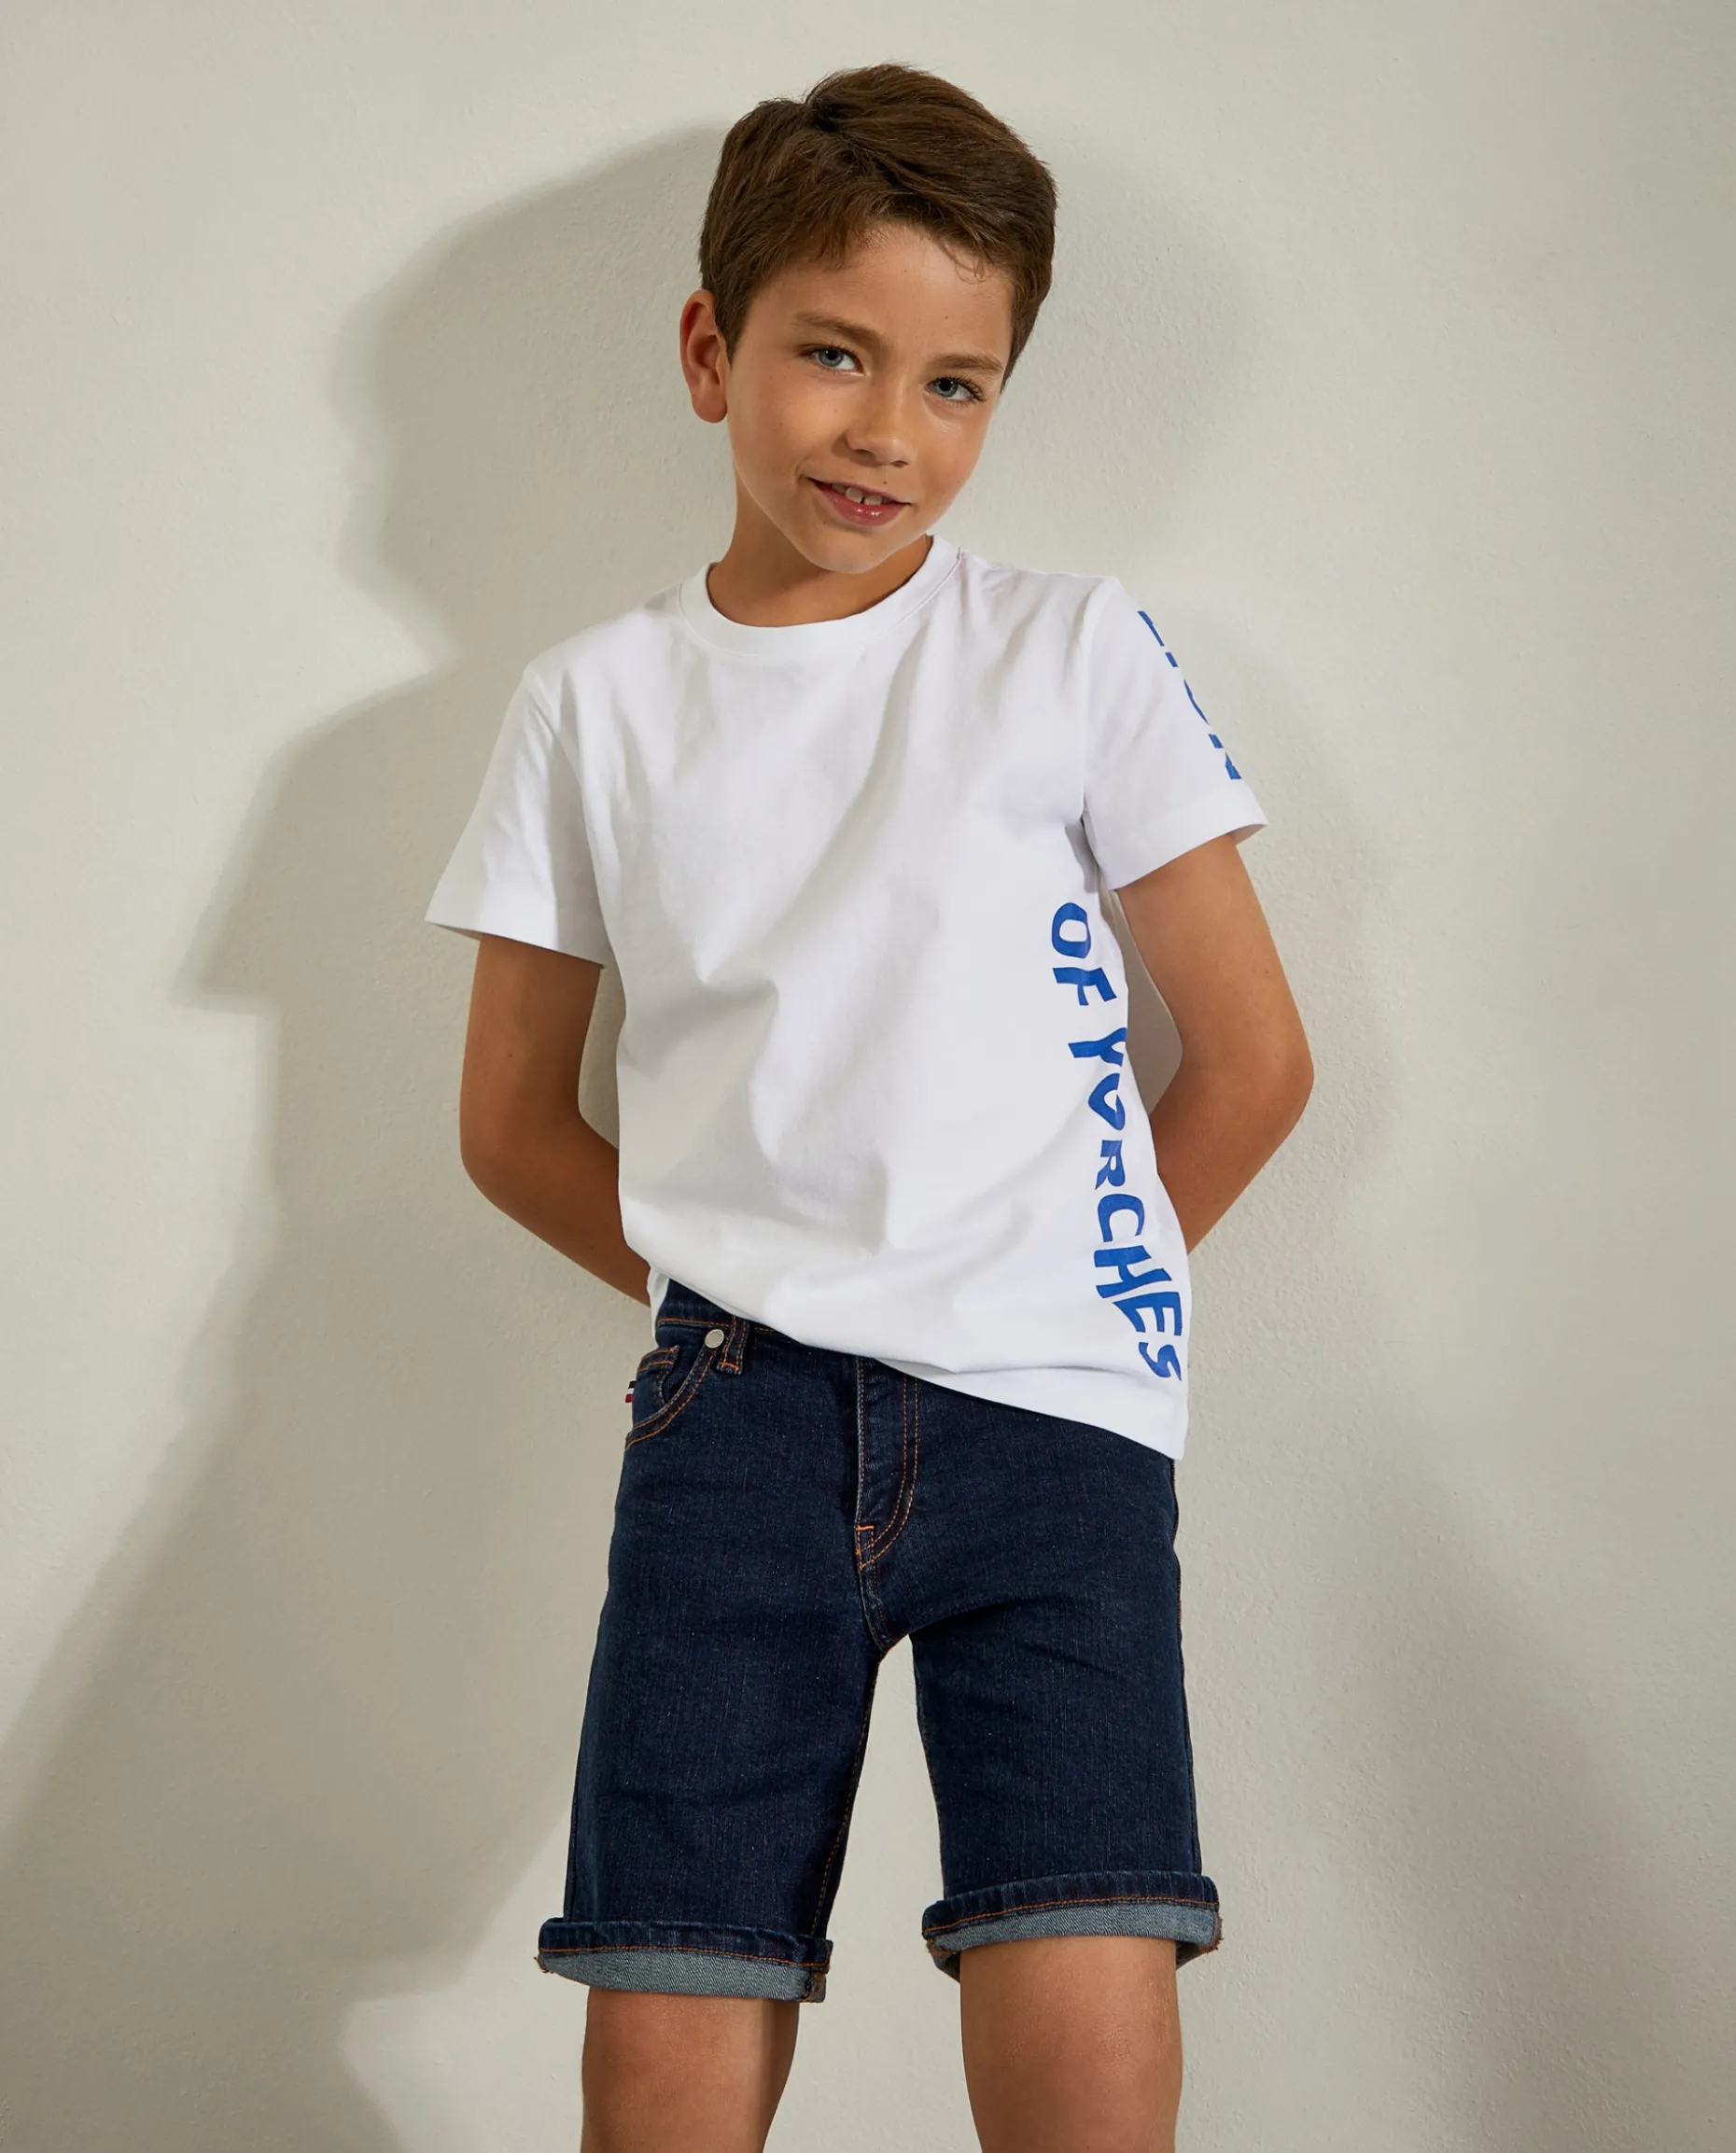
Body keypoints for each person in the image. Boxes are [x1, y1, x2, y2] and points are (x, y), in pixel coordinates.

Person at [424, 59, 1311, 2153]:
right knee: (672, 1989)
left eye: (956, 383)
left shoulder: (1070, 651)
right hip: (731, 1426)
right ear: (709, 350)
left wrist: (1044, 1279)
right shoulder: (593, 706)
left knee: (1084, 1951)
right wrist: (764, 1289)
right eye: (835, 354)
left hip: (1052, 1421)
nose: (889, 430)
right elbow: (512, 1123)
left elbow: (1256, 1059)